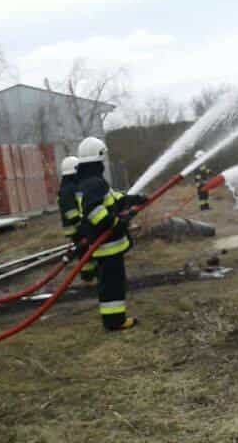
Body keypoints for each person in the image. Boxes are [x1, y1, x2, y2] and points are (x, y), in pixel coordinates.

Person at [75, 137, 147, 331]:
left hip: (105, 247)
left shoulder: (90, 181)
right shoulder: (94, 183)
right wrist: (116, 223)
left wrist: (134, 199)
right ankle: (115, 321)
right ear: (98, 158)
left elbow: (114, 199)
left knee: (110, 284)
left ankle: (113, 320)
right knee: (113, 285)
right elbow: (93, 211)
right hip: (107, 247)